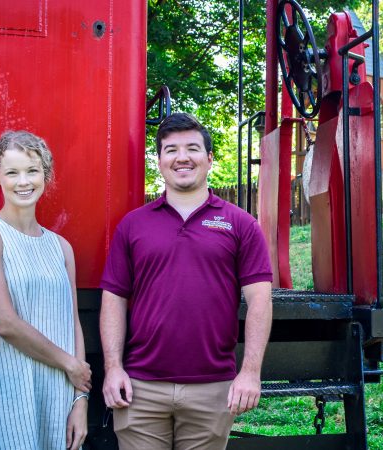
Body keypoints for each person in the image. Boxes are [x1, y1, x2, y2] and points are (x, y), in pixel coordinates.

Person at [100, 113, 273, 449]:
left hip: (212, 389)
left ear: (209, 159)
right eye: (171, 150)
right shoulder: (133, 225)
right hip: (141, 388)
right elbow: (113, 299)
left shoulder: (241, 224)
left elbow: (260, 302)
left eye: (192, 148)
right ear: (160, 161)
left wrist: (250, 373)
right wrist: (113, 368)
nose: (182, 157)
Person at [0, 131, 91, 449]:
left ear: (45, 174)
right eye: (12, 172)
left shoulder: (60, 247)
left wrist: (80, 399)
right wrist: (71, 366)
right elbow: (5, 324)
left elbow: (72, 323)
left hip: (55, 394)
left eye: (32, 170)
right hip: (1, 397)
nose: (23, 182)